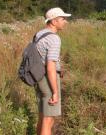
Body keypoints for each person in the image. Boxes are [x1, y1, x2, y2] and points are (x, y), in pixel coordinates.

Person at [34, 7, 71, 135]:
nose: (65, 21)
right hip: (47, 80)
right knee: (48, 119)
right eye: (63, 19)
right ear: (54, 21)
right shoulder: (54, 39)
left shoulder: (40, 34)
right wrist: (55, 92)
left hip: (38, 77)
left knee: (42, 115)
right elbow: (50, 67)